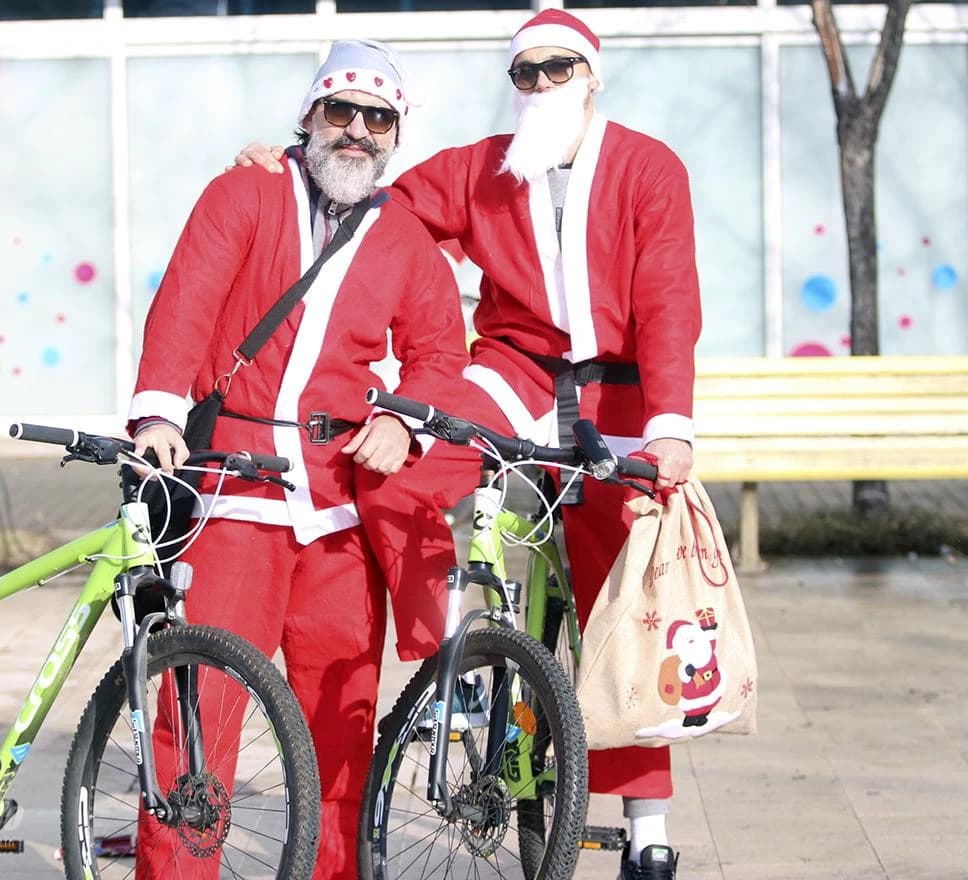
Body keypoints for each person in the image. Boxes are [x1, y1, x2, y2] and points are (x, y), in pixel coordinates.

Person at [235, 11, 701, 879]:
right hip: (516, 373)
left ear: (591, 75)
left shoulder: (649, 168)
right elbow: (378, 199)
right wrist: (288, 168)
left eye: (555, 70)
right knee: (395, 461)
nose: (538, 88)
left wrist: (671, 426)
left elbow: (671, 302)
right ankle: (455, 664)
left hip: (621, 392)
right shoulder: (488, 166)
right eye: (523, 74)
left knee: (622, 606)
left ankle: (648, 827)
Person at [128, 39, 469, 880]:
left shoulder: (403, 236)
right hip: (236, 492)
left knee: (343, 724)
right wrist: (160, 413)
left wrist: (409, 423)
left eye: (377, 118)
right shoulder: (243, 190)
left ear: (397, 133)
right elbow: (187, 300)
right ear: (309, 116)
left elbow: (439, 354)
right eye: (340, 111)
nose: (357, 132)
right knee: (198, 715)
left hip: (338, 510)